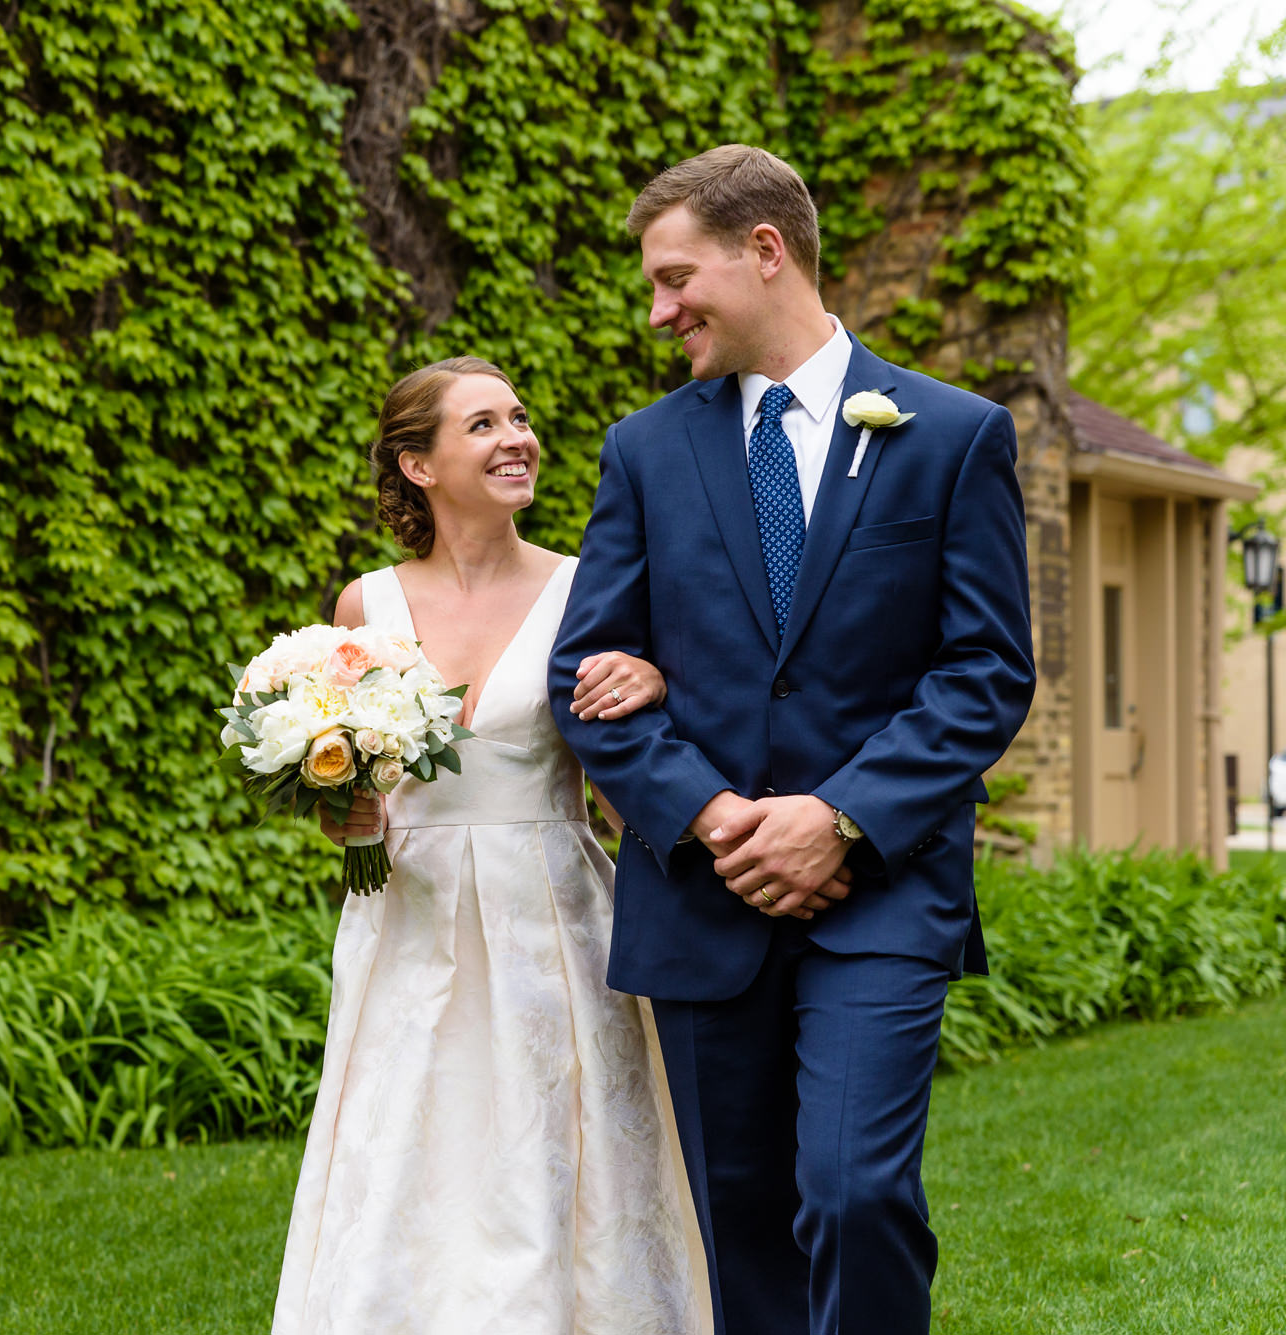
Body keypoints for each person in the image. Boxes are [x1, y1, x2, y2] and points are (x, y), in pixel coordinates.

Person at [547, 145, 1035, 1335]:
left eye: (673, 279)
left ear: (763, 251)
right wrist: (717, 820)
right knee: (739, 1218)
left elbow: (985, 671)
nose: (656, 312)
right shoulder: (642, 451)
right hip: (701, 897)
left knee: (854, 1192)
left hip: (878, 893)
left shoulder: (951, 435)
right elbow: (586, 676)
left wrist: (839, 819)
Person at [272, 356, 710, 1335]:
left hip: (547, 918)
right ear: (416, 464)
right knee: (406, 1160)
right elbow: (344, 782)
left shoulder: (587, 589)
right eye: (482, 425)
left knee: (542, 1153)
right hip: (407, 925)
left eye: (517, 418)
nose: (516, 438)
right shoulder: (362, 608)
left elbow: (629, 766)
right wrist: (341, 812)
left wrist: (651, 682)